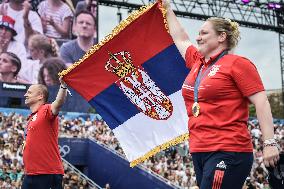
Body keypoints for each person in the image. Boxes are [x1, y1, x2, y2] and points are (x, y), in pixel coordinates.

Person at [162, 0, 280, 188]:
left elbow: (262, 102)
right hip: (199, 150)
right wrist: (167, 9)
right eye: (199, 33)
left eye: (204, 33)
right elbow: (181, 38)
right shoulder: (197, 63)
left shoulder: (238, 64)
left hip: (228, 150)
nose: (198, 37)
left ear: (221, 37)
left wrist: (269, 142)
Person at [22, 77, 68, 189]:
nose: (25, 95)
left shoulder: (46, 109)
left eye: (29, 92)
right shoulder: (31, 118)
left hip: (47, 173)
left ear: (40, 96)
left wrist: (63, 86)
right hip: (30, 174)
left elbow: (59, 102)